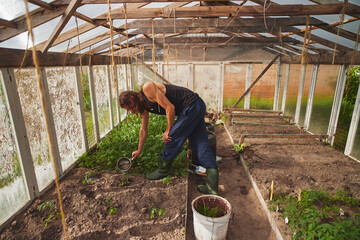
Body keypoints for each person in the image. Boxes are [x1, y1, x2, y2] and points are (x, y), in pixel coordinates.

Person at [119, 82, 218, 195]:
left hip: (192, 105)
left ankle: (163, 170)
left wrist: (168, 130)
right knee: (201, 146)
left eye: (132, 106)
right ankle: (212, 188)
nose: (132, 110)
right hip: (196, 107)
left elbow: (170, 107)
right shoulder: (143, 107)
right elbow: (143, 130)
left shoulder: (148, 88)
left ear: (135, 97)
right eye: (129, 109)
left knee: (171, 137)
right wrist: (139, 150)